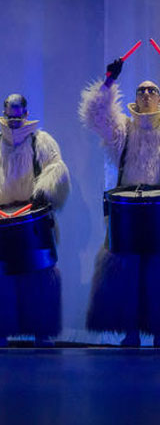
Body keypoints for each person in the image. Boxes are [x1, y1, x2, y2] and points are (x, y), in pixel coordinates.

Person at [79, 55, 160, 347]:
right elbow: (96, 116)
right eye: (141, 90)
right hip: (127, 210)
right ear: (134, 98)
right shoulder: (123, 132)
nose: (146, 93)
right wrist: (109, 82)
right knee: (127, 270)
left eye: (152, 90)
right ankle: (131, 331)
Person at [0, 94, 70, 347]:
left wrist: (45, 191)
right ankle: (2, 331)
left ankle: (42, 331)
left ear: (26, 114)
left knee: (40, 273)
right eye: (10, 116)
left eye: (18, 116)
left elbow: (57, 169)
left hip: (34, 215)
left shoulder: (41, 141)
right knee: (3, 276)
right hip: (3, 217)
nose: (14, 121)